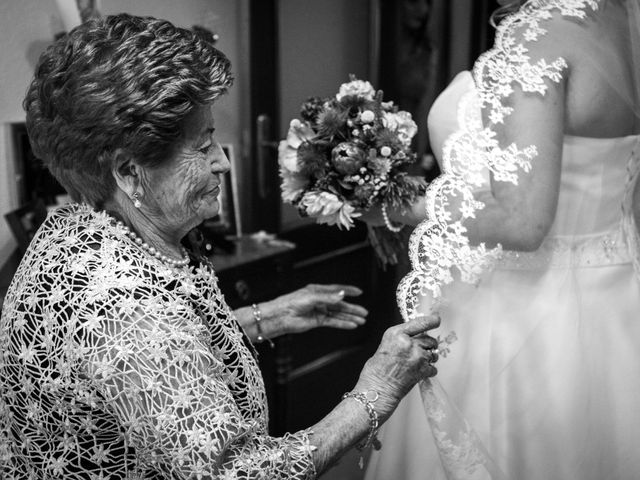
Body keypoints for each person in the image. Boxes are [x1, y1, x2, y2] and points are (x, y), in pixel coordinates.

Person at [0, 14, 441, 479]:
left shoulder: (80, 226)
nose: (223, 162)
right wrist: (376, 391)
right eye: (203, 144)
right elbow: (242, 473)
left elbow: (150, 368)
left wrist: (266, 317)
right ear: (129, 172)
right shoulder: (117, 305)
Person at [362, 0, 640, 478]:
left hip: (521, 324)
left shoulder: (541, 35)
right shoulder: (618, 21)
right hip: (613, 305)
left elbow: (522, 220)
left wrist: (400, 209)